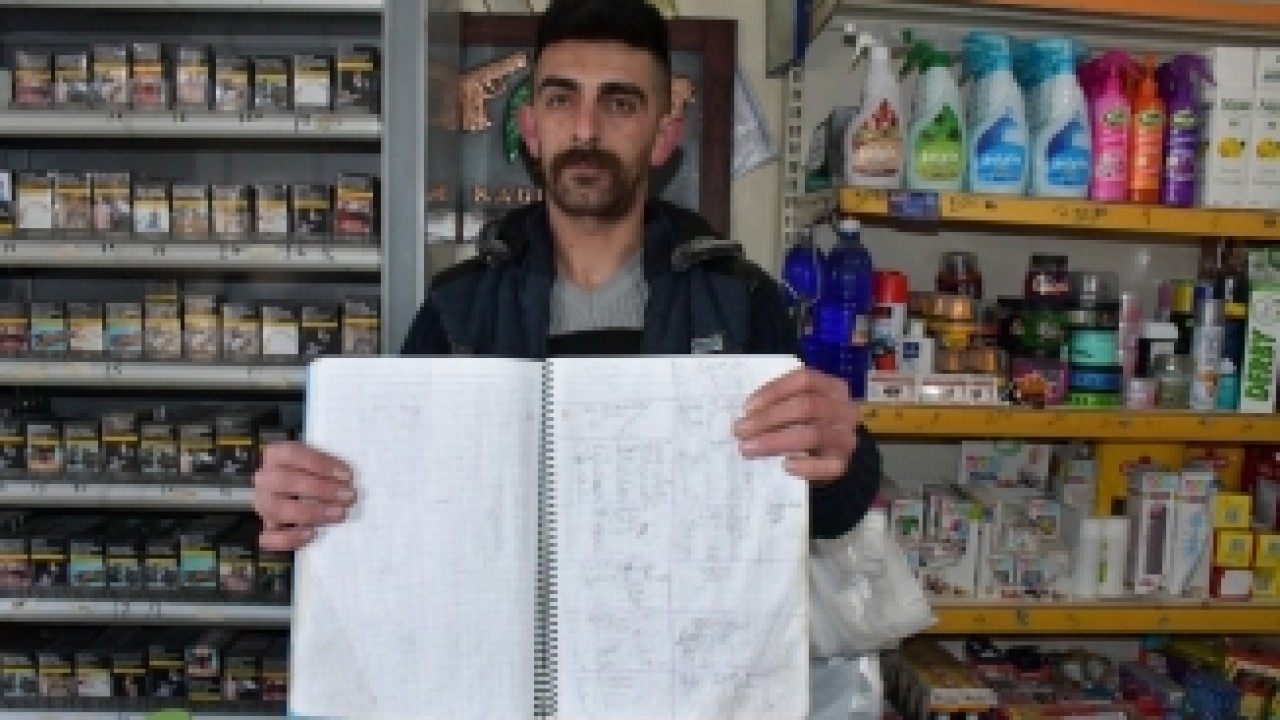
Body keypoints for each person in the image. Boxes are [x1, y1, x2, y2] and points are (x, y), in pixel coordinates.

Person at [253, 0, 882, 550]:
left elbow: (822, 515)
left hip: (670, 645)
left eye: (619, 103)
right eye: (561, 99)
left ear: (665, 135)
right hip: (503, 646)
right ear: (531, 129)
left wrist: (843, 454)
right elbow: (393, 492)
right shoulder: (458, 309)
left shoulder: (737, 300)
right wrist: (309, 493)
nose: (585, 130)